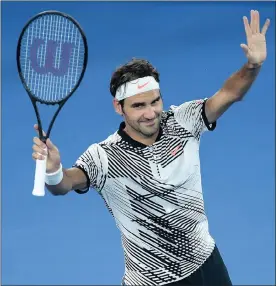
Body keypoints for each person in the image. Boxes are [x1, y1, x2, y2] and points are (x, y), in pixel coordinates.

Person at [32, 10, 270, 286]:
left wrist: (252, 66)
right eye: (138, 106)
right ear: (118, 108)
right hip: (151, 281)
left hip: (208, 265)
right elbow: (64, 184)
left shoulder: (185, 120)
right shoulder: (104, 156)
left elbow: (230, 93)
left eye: (154, 101)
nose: (150, 113)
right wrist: (52, 171)